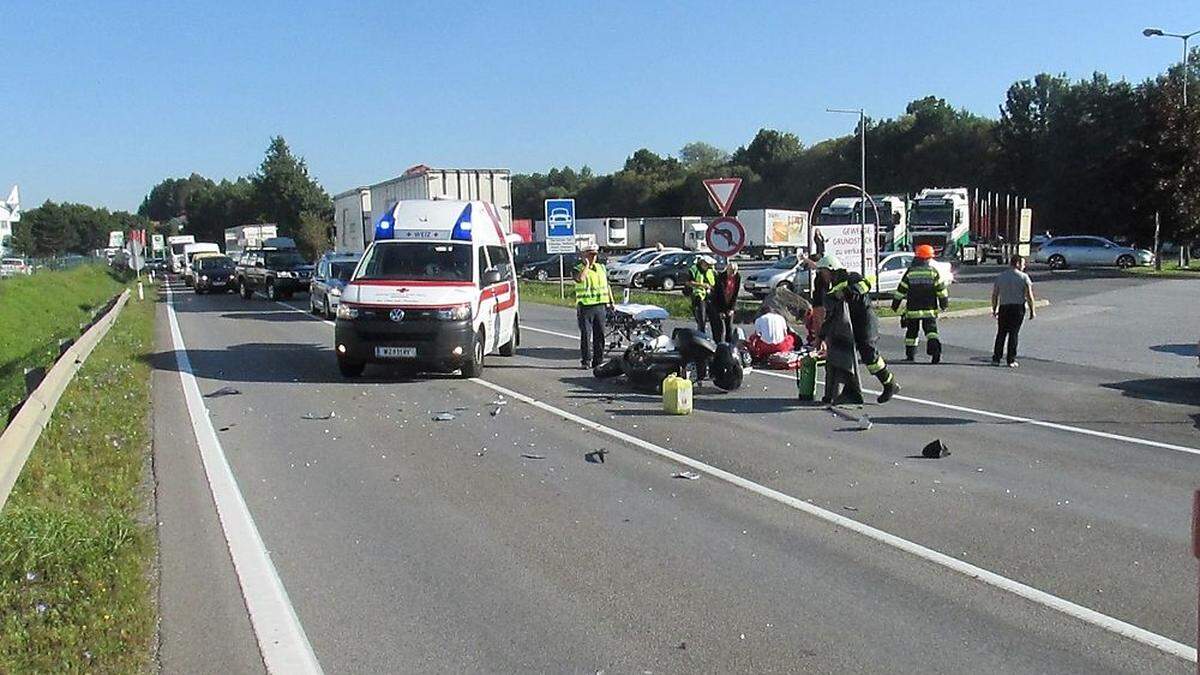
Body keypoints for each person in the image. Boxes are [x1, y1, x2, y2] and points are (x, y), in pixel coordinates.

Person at [815, 254, 900, 403]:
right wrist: (821, 336)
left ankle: (889, 383)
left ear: (831, 269)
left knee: (869, 355)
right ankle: (836, 393)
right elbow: (831, 317)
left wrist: (846, 292)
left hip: (865, 321)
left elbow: (865, 285)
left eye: (823, 272)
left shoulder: (852, 277)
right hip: (849, 326)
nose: (822, 276)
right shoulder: (831, 290)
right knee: (840, 355)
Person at [891, 244, 950, 363]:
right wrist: (944, 304)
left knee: (912, 333)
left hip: (913, 310)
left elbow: (901, 290)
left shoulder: (910, 272)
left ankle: (910, 355)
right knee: (931, 332)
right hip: (930, 310)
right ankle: (935, 353)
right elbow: (941, 291)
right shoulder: (933, 272)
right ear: (926, 258)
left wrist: (895, 305)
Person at [818, 283, 862, 405]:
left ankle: (838, 394)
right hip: (838, 332)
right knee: (833, 365)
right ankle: (831, 395)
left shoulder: (840, 291)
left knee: (841, 364)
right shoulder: (831, 288)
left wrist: (822, 335)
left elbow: (832, 316)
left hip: (842, 331)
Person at [572, 242, 613, 369]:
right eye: (590, 255)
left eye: (595, 255)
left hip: (600, 306)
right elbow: (580, 279)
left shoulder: (601, 267)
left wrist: (611, 301)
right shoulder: (578, 268)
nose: (593, 257)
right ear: (584, 255)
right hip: (586, 306)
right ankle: (586, 361)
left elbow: (606, 285)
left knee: (600, 335)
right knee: (586, 335)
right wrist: (587, 265)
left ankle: (598, 361)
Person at [991, 254, 1036, 367]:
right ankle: (1011, 359)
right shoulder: (1024, 277)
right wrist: (1032, 310)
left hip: (1004, 307)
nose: (1024, 266)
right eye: (1023, 263)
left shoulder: (1001, 277)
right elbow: (1029, 296)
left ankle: (996, 358)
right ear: (1017, 263)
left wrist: (994, 308)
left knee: (1001, 333)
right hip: (1017, 308)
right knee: (1013, 334)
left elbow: (995, 295)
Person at [707, 260, 740, 342]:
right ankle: (719, 344)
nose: (731, 273)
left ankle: (729, 345)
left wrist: (732, 309)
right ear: (727, 269)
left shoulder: (737, 277)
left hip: (730, 304)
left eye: (733, 271)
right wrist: (720, 311)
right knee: (720, 328)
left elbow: (735, 294)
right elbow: (717, 295)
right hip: (719, 303)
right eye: (730, 270)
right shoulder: (721, 277)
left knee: (729, 327)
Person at [686, 255, 717, 333]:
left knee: (715, 320)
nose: (708, 266)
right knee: (701, 319)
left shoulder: (711, 270)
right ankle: (701, 333)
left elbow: (714, 282)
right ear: (702, 262)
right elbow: (688, 282)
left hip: (710, 297)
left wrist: (712, 288)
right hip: (698, 297)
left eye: (709, 265)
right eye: (707, 264)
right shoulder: (694, 269)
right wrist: (702, 285)